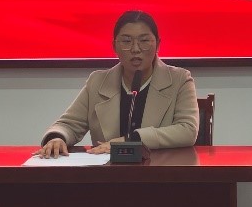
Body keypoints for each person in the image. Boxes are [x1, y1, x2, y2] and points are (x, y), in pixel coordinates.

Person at [39, 10, 198, 157]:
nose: (135, 49)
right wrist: (57, 138)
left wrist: (132, 139)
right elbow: (68, 125)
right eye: (126, 41)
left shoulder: (179, 80)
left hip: (161, 171)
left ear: (158, 44)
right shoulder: (98, 82)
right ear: (114, 46)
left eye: (144, 41)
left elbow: (187, 130)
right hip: (108, 173)